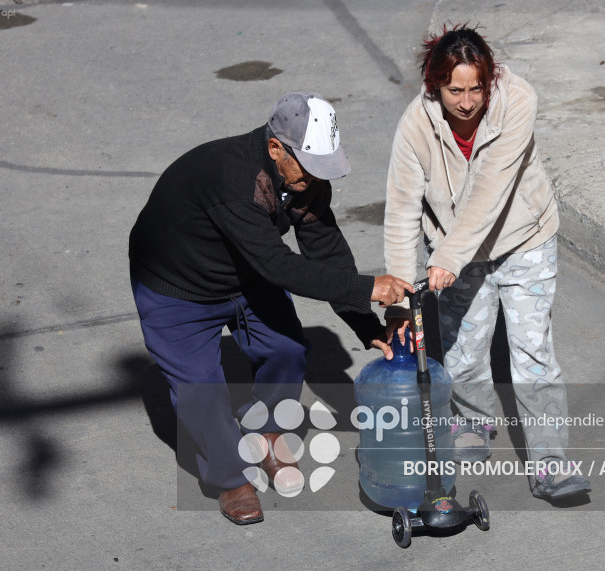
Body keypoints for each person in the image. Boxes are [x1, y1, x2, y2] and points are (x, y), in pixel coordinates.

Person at [129, 92, 413, 525]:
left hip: (245, 273)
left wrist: (362, 321)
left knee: (288, 352)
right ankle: (230, 477)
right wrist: (370, 286)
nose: (316, 179)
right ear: (276, 147)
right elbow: (279, 265)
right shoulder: (233, 179)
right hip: (176, 287)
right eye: (310, 167)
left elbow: (327, 252)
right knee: (199, 394)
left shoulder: (305, 180)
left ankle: (265, 433)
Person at [383, 26, 591, 501]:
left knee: (533, 354)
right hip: (458, 256)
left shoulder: (516, 101)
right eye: (455, 89)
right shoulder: (416, 124)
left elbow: (491, 191)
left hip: (524, 241)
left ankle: (551, 466)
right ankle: (474, 424)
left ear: (490, 78)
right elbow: (401, 209)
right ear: (434, 84)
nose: (468, 101)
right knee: (464, 350)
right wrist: (398, 294)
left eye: (477, 87)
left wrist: (449, 257)